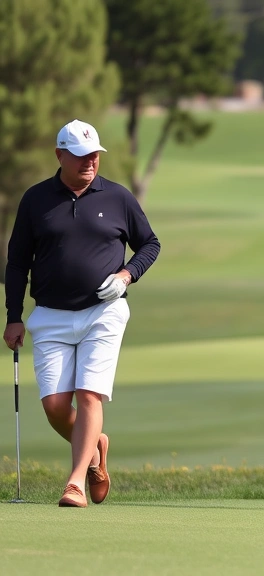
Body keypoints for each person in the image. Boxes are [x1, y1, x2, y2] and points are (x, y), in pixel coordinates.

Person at [4, 119, 160, 507]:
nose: (90, 162)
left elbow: (150, 245)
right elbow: (17, 261)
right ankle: (94, 450)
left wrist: (126, 275)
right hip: (51, 316)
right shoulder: (36, 199)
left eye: (94, 155)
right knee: (56, 407)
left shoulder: (118, 198)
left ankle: (74, 483)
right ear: (59, 156)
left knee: (90, 394)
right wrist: (13, 315)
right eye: (80, 156)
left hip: (103, 313)